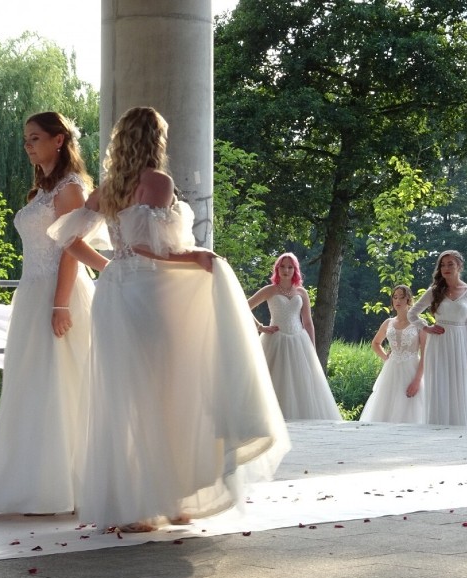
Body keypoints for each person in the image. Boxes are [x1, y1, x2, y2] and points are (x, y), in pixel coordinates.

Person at [49, 106, 290, 532]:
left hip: (115, 294)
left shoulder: (106, 190)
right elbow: (156, 249)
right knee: (167, 391)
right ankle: (169, 499)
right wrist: (200, 257)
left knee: (125, 396)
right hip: (147, 294)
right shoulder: (156, 182)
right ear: (153, 140)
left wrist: (109, 265)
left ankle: (141, 501)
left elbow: (69, 237)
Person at [0, 112, 107, 515]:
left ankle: (65, 486)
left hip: (57, 293)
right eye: (26, 139)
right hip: (32, 293)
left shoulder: (69, 189)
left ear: (59, 140)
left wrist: (60, 303)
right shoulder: (41, 192)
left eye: (35, 138)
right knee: (30, 384)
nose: (28, 145)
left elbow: (71, 247)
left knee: (60, 382)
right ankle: (31, 483)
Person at [247, 253, 342, 421]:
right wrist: (260, 327)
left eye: (290, 267)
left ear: (295, 270)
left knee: (301, 385)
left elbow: (308, 322)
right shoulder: (270, 290)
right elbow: (244, 306)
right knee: (271, 381)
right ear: (277, 268)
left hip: (299, 341)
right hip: (275, 340)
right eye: (282, 266)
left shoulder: (301, 292)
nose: (286, 270)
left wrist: (311, 350)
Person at [408, 250, 467, 426]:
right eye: (442, 265)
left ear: (459, 266)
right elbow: (412, 313)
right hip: (438, 342)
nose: (446, 268)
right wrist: (426, 328)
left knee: (460, 385)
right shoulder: (434, 291)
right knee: (438, 383)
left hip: (461, 343)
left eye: (450, 264)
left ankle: (460, 426)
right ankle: (436, 425)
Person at [359, 285, 427, 424]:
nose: (398, 300)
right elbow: (375, 343)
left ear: (408, 299)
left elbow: (426, 355)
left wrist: (417, 380)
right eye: (395, 297)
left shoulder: (419, 324)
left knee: (411, 409)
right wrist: (386, 357)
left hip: (412, 370)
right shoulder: (388, 322)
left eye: (402, 297)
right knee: (385, 408)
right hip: (391, 370)